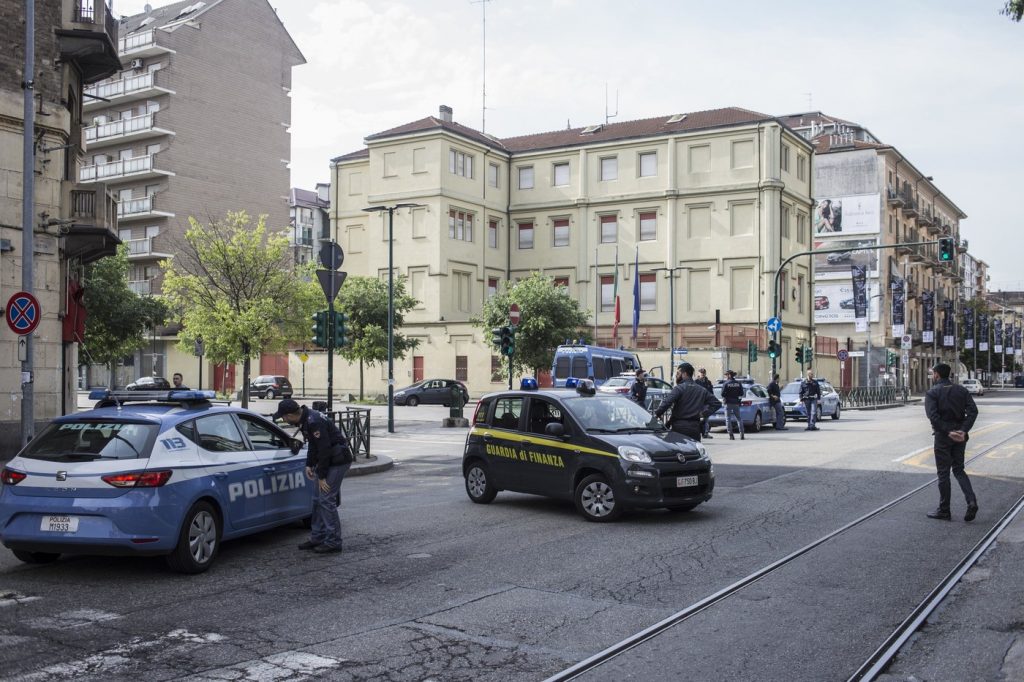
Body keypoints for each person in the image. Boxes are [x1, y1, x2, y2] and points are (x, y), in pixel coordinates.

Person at [274, 398, 352, 554]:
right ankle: (318, 536)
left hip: (338, 461)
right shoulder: (306, 419)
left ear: (290, 415)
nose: (283, 420)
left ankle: (333, 541)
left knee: (326, 499)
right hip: (328, 461)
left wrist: (322, 476)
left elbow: (324, 450)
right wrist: (309, 465)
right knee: (317, 500)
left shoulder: (313, 421)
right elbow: (313, 446)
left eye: (283, 417)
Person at [924, 363, 979, 521]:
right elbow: (973, 411)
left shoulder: (932, 393)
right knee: (959, 470)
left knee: (943, 473)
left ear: (937, 375)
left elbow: (933, 417)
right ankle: (971, 501)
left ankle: (944, 510)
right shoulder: (961, 390)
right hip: (960, 436)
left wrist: (949, 431)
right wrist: (963, 430)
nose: (933, 375)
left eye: (933, 373)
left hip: (943, 437)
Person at [654, 363, 721, 441]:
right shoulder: (701, 390)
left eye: (678, 373)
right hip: (694, 428)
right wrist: (703, 414)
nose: (676, 375)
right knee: (692, 451)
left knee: (677, 451)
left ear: (684, 374)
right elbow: (717, 404)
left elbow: (666, 403)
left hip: (679, 428)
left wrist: (657, 414)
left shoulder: (679, 388)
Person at [721, 370, 746, 440]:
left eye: (726, 375)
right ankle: (742, 434)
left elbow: (722, 394)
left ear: (729, 375)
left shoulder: (726, 384)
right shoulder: (738, 383)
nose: (726, 376)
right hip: (736, 403)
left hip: (728, 403)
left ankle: (731, 435)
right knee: (739, 418)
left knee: (728, 419)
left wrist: (727, 395)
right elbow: (741, 393)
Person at [695, 368, 715, 439]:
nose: (702, 374)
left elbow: (711, 393)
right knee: (697, 419)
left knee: (706, 419)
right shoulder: (695, 382)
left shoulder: (708, 382)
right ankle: (697, 433)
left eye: (704, 373)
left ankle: (706, 433)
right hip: (698, 404)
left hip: (706, 403)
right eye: (701, 373)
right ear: (699, 374)